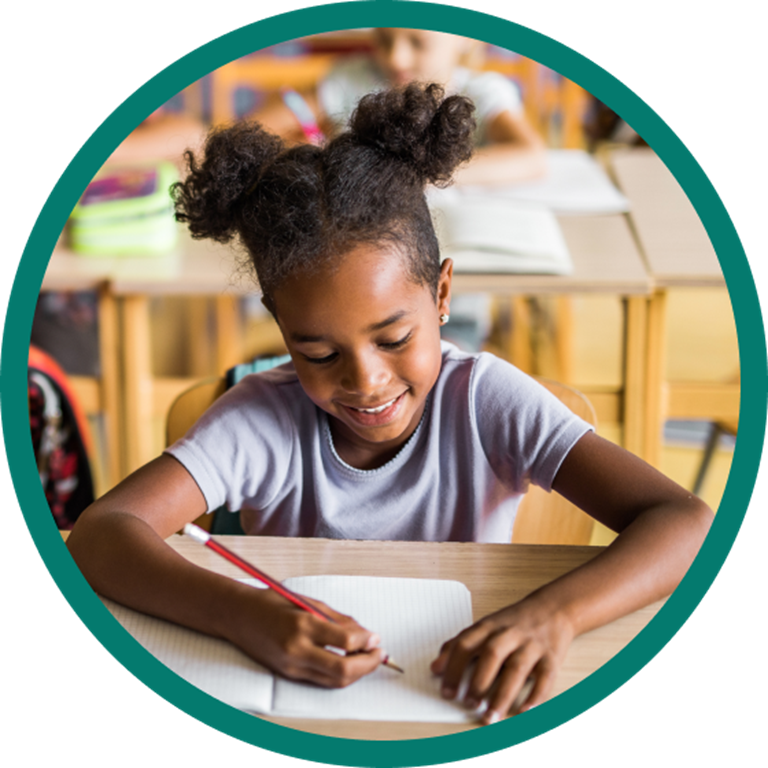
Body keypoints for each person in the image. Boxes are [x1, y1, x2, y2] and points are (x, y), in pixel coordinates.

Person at [67, 83, 712, 726]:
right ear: (280, 326)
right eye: (318, 354)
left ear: (442, 294)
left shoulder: (484, 400)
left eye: (395, 338)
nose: (367, 382)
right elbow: (100, 534)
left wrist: (554, 616)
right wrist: (240, 612)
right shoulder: (262, 418)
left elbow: (684, 523)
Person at [255, 28, 547, 185]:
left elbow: (531, 157)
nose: (396, 59)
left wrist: (415, 174)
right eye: (383, 39)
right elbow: (256, 132)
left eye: (418, 43)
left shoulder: (484, 92)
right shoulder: (350, 79)